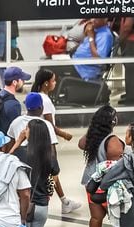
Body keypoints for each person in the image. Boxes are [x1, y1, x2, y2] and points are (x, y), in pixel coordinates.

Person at [9, 119, 59, 227]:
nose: (25, 131)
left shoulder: (21, 153)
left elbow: (6, 161)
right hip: (42, 205)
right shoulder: (49, 154)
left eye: (27, 129)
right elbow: (54, 174)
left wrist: (18, 142)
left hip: (25, 204)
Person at [31, 70, 82, 215]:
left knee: (50, 172)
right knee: (53, 170)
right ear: (46, 83)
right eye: (53, 80)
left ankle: (64, 200)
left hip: (39, 138)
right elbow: (50, 124)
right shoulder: (45, 100)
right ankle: (60, 200)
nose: (55, 83)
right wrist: (64, 134)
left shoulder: (37, 97)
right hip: (48, 140)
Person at [79, 105, 124, 227]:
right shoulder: (112, 141)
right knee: (121, 217)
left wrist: (93, 129)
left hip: (92, 183)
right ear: (113, 121)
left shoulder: (92, 138)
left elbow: (80, 143)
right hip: (109, 184)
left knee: (96, 218)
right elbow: (118, 163)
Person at [0, 67, 31, 134]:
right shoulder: (14, 105)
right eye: (22, 80)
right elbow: (15, 131)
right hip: (6, 141)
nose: (24, 82)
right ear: (14, 82)